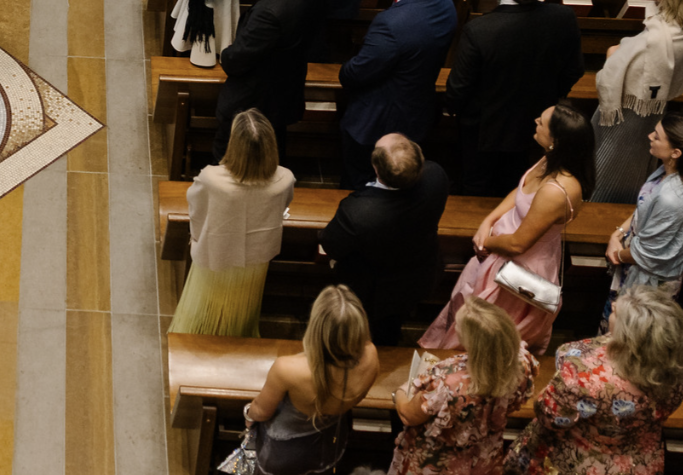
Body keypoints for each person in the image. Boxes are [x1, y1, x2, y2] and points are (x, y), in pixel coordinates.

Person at [496, 287, 683, 475]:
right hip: (640, 465)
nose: (611, 309)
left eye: (615, 312)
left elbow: (550, 416)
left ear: (628, 335)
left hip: (582, 472)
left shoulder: (582, 374)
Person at [421, 102, 592, 353]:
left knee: (488, 337)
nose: (535, 121)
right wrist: (488, 222)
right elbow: (520, 192)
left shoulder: (556, 191)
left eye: (542, 122)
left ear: (556, 140)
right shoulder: (549, 160)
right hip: (497, 255)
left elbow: (517, 244)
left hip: (517, 272)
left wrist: (486, 242)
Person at [389, 297, 534, 475]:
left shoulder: (448, 383)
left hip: (440, 464)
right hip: (483, 458)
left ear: (473, 343)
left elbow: (407, 414)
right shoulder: (520, 362)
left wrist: (401, 391)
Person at [443, 0, 583, 194]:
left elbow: (458, 89)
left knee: (476, 186)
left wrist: (454, 111)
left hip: (483, 130)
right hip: (535, 123)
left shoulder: (479, 30)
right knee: (522, 183)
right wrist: (548, 97)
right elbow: (574, 70)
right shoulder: (563, 18)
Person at [235, 285, 379, 475]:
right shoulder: (371, 355)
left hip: (286, 454)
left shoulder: (289, 368)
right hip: (330, 439)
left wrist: (247, 413)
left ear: (316, 326)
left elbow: (261, 411)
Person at [338, 0, 455, 186]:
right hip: (417, 112)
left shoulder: (391, 24)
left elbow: (357, 72)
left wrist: (345, 68)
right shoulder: (444, 1)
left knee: (360, 185)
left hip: (378, 122)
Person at [591, 0, 683, 201]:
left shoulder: (658, 40)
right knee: (639, 153)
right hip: (656, 102)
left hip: (630, 107)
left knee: (613, 157)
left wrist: (613, 52)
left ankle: (601, 199)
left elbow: (617, 66)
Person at [171, 109, 294, 337]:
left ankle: (197, 339)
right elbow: (283, 207)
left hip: (216, 252)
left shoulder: (211, 178)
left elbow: (197, 210)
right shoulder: (285, 178)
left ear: (234, 144)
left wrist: (196, 238)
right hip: (256, 257)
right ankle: (239, 337)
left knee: (204, 305)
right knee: (243, 307)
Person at [321, 133, 451, 345]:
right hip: (419, 272)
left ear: (376, 169)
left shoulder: (358, 212)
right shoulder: (436, 177)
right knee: (392, 327)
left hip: (375, 289)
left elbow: (331, 245)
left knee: (375, 334)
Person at [217, 0, 324, 155]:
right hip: (285, 90)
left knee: (234, 160)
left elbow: (236, 60)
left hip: (255, 101)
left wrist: (225, 53)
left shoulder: (271, 12)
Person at [603, 112, 683, 303]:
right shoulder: (668, 171)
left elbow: (645, 254)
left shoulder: (673, 199)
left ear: (676, 153)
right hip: (634, 263)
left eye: (657, 137)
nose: (649, 136)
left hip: (649, 285)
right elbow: (643, 207)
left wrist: (616, 254)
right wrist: (617, 234)